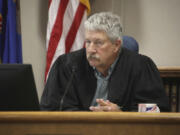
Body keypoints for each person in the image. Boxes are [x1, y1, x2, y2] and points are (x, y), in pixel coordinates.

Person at [40, 12, 169, 112]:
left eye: (98, 43)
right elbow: (50, 108)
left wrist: (121, 114)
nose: (90, 49)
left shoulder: (141, 66)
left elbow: (157, 110)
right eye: (88, 42)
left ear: (116, 45)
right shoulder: (67, 65)